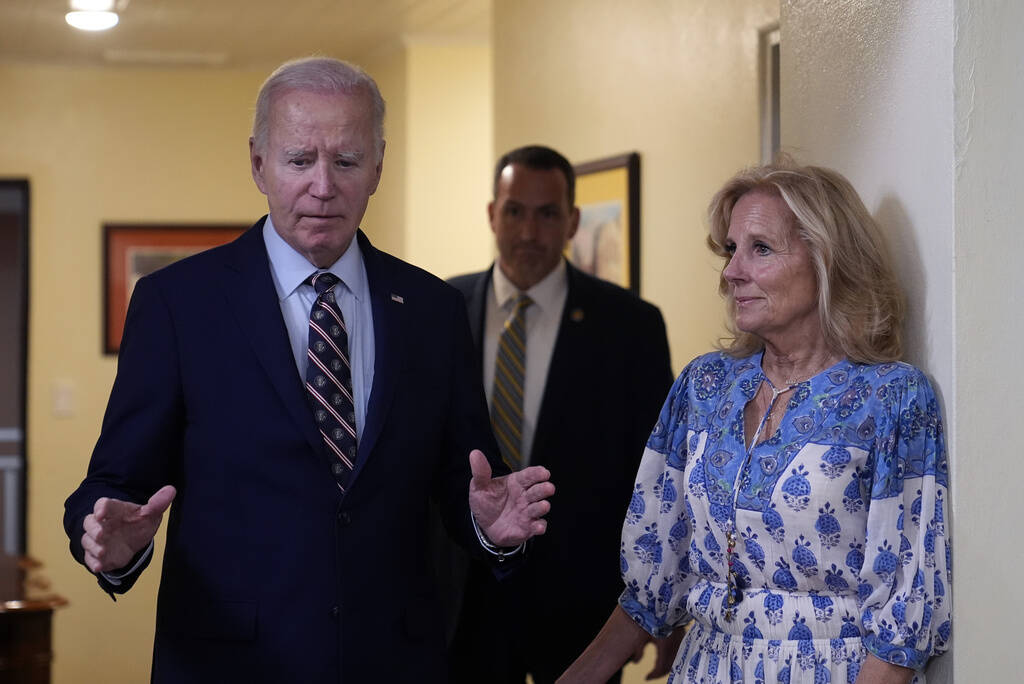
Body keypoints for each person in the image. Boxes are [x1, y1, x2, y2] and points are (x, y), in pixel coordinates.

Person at [63, 57, 555, 683]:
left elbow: (470, 484)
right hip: (229, 664)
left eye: (346, 162)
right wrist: (111, 542)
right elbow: (112, 483)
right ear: (257, 163)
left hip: (395, 663)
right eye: (300, 160)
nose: (323, 186)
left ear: (378, 166)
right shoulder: (178, 304)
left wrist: (492, 528)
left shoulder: (432, 310)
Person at [559, 160, 951, 684]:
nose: (731, 272)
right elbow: (654, 585)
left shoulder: (894, 399)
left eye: (760, 249)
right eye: (730, 250)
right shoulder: (705, 386)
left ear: (826, 259)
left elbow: (904, 621)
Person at [442, 145, 676, 683]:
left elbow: (657, 479)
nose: (528, 231)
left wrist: (657, 604)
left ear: (572, 220)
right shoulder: (440, 311)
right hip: (461, 600)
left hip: (580, 610)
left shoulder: (630, 327)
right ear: (491, 215)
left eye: (547, 214)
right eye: (514, 211)